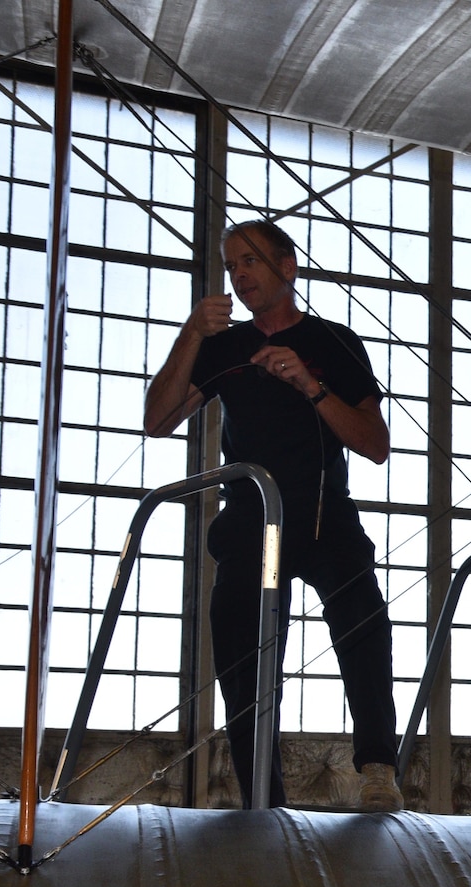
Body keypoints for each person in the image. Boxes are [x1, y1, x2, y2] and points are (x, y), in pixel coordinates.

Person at [144, 219, 402, 812]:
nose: (239, 275)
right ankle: (262, 790)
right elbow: (157, 422)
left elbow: (375, 443)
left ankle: (378, 768)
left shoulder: (336, 342)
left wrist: (310, 384)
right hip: (250, 518)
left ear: (287, 267)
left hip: (323, 515)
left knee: (362, 620)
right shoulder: (225, 348)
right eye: (231, 266)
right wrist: (190, 334)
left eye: (250, 261)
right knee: (239, 642)